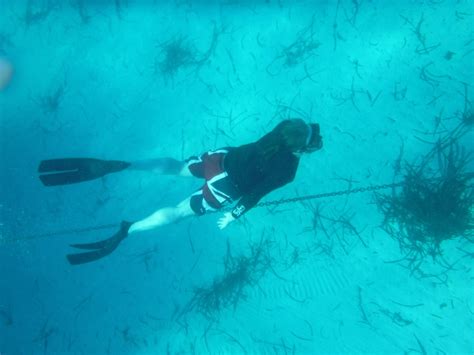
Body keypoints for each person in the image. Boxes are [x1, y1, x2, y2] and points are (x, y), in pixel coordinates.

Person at [38, 119, 323, 264]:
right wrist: (234, 216)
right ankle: (127, 230)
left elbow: (296, 137)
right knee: (177, 213)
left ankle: (124, 165)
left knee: (176, 167)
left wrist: (302, 138)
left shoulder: (284, 128)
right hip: (225, 188)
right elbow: (256, 194)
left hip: (220, 158)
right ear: (301, 149)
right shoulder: (288, 170)